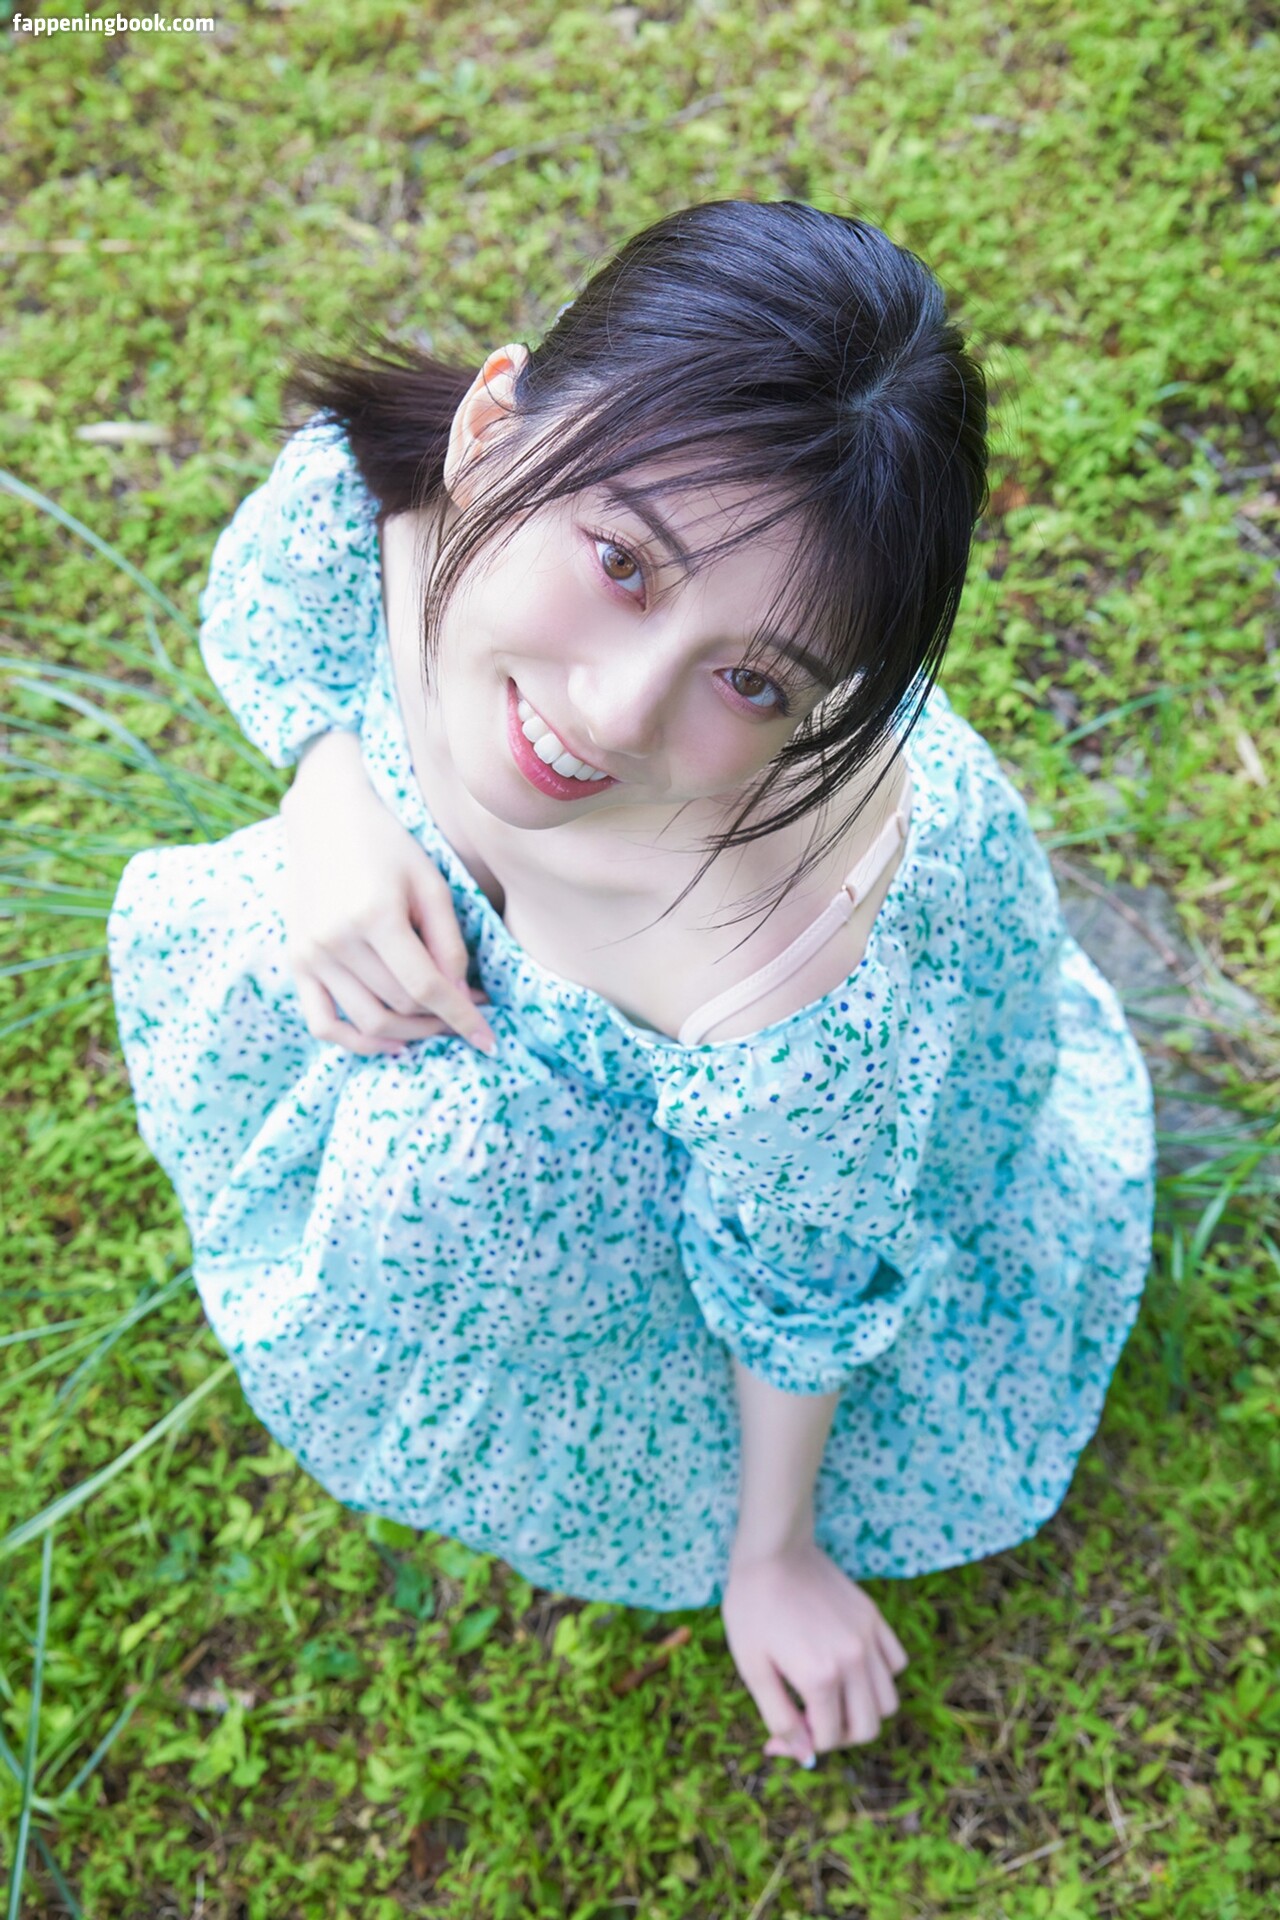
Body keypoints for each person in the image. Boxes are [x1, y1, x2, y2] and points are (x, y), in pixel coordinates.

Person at [106, 199, 1156, 1770]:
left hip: (793, 1147)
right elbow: (290, 613)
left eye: (752, 678)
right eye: (621, 562)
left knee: (450, 1182)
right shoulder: (383, 498)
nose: (608, 713)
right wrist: (337, 805)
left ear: (829, 704)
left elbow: (800, 1285)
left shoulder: (786, 991)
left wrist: (771, 1553)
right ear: (493, 426)